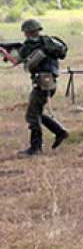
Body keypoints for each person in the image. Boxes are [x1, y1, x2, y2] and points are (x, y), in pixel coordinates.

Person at [0, 19, 69, 155]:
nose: (25, 35)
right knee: (36, 112)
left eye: (26, 33)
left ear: (29, 32)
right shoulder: (48, 42)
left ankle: (36, 147)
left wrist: (3, 51)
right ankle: (59, 132)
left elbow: (15, 60)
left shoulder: (29, 47)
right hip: (50, 81)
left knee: (32, 114)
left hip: (42, 82)